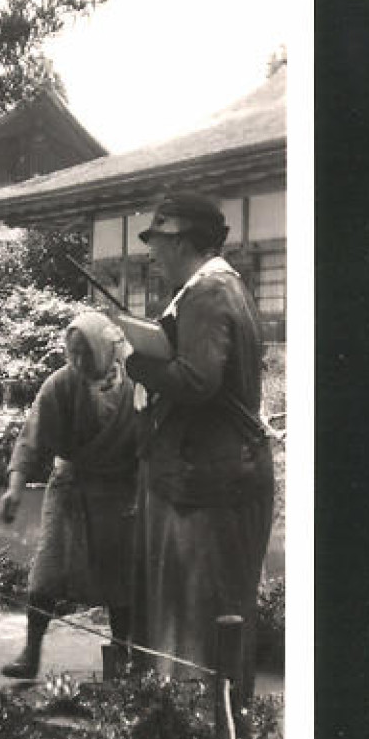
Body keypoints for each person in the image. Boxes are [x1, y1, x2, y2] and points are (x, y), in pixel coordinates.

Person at [115, 191, 274, 700]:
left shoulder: (208, 293)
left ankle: (203, 723)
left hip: (210, 479)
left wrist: (135, 361)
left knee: (203, 607)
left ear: (183, 240)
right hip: (209, 473)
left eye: (157, 243)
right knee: (203, 606)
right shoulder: (220, 289)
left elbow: (198, 381)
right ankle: (202, 718)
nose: (152, 254)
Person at [0, 311, 141, 679]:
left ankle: (121, 654)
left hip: (119, 492)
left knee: (121, 580)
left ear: (106, 351)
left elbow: (153, 445)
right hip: (70, 488)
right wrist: (15, 488)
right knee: (46, 572)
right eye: (71, 353)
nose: (78, 362)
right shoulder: (60, 384)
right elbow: (31, 439)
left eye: (85, 353)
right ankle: (31, 652)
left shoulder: (137, 386)